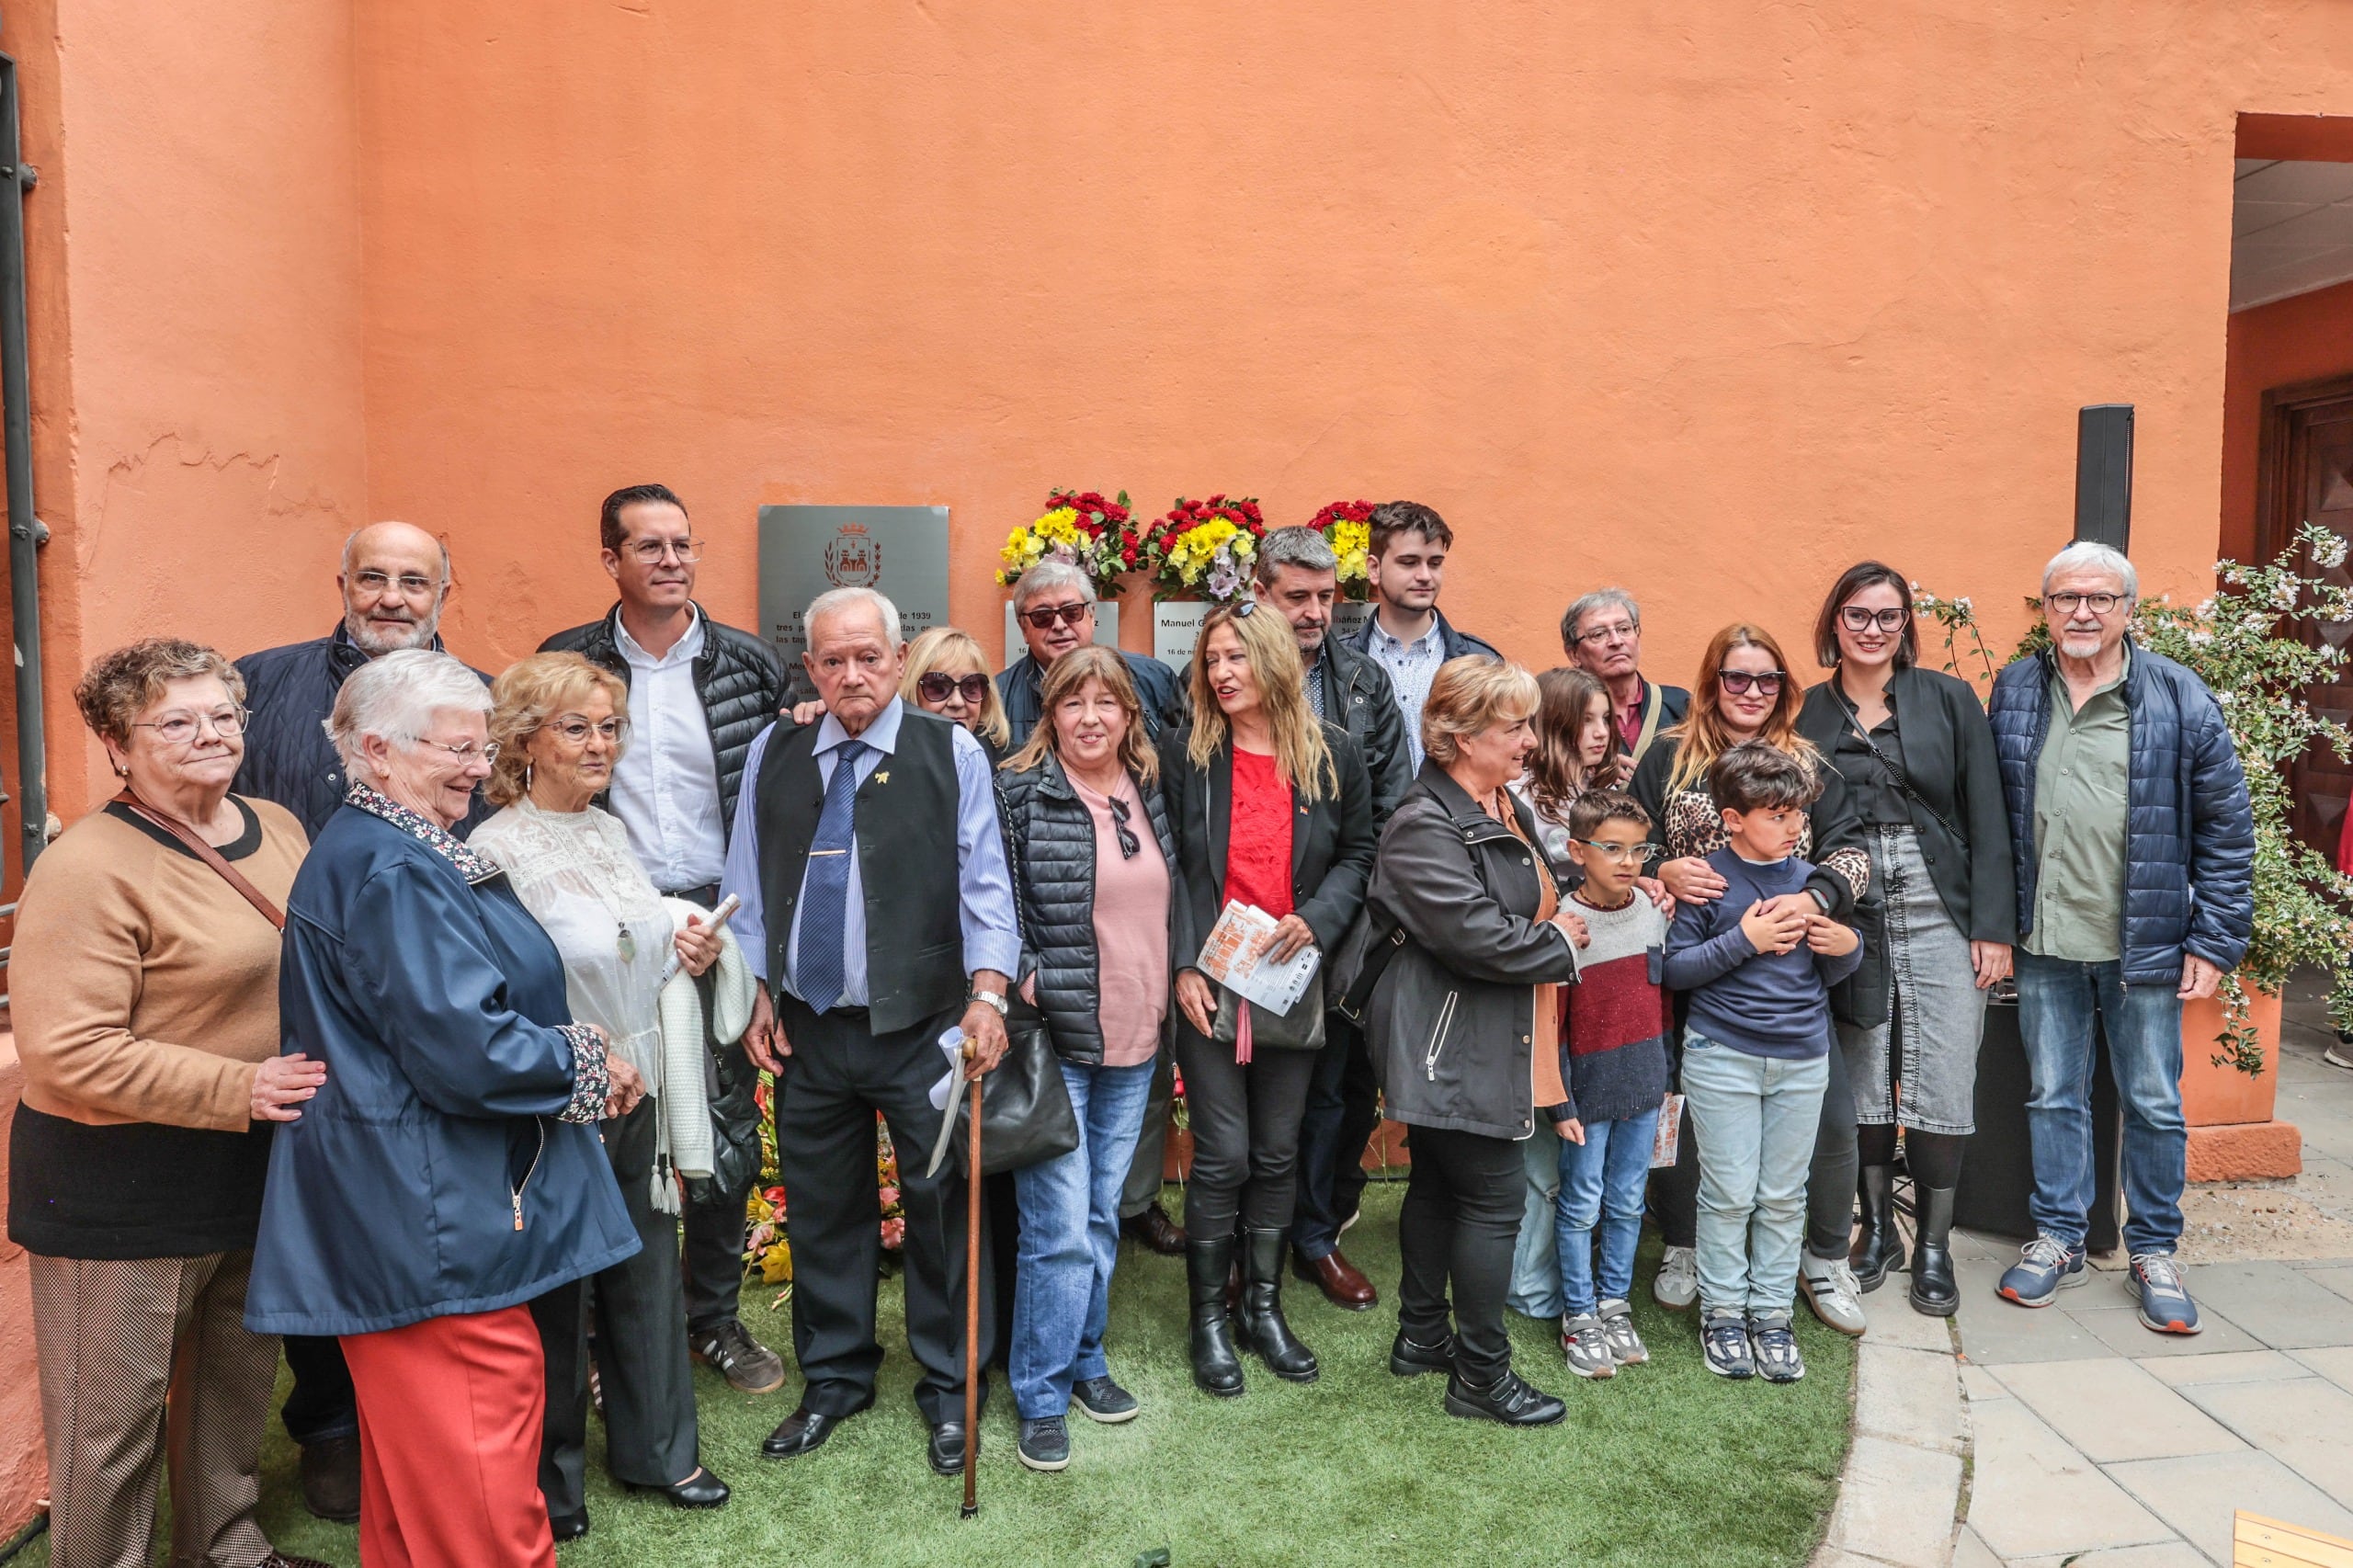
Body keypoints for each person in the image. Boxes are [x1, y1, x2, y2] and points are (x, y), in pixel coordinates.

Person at [245, 650, 644, 1568]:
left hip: (411, 1206)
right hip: (429, 1220)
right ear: (377, 750)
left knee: (417, 1500)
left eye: (482, 745)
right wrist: (586, 1059)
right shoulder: (392, 865)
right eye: (457, 748)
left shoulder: (386, 846)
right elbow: (465, 1048)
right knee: (479, 1501)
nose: (477, 765)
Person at [7, 639, 325, 1568]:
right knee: (110, 1422)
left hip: (249, 1166)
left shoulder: (276, 825)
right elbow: (67, 1054)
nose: (207, 735)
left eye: (222, 715)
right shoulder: (88, 865)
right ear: (116, 743)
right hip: (120, 1185)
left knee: (232, 1382)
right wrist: (244, 1085)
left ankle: (223, 1548)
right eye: (174, 720)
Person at [724, 586, 1020, 1475]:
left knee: (940, 1214)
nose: (851, 675)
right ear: (808, 667)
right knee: (822, 1214)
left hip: (923, 1024)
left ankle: (948, 1386)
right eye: (831, 660)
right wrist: (754, 993)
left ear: (899, 663)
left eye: (867, 657)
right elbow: (742, 879)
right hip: (809, 1030)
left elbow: (985, 883)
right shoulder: (773, 749)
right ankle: (837, 1379)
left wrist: (989, 993)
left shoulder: (950, 749)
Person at [232, 519, 486, 1517]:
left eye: (412, 579)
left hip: (427, 980)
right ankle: (329, 1422)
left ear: (441, 593)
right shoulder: (267, 682)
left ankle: (416, 1421)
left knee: (416, 1200)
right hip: (299, 989)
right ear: (339, 581)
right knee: (320, 1202)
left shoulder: (476, 692)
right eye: (371, 576)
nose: (390, 595)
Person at [471, 653, 733, 1539]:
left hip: (644, 1082)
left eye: (610, 726)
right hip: (561, 1095)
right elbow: (501, 995)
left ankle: (662, 1453)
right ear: (523, 741)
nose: (600, 743)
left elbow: (632, 948)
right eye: (576, 726)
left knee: (648, 1269)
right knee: (557, 1296)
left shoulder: (608, 830)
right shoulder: (492, 852)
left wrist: (687, 948)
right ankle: (554, 1485)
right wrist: (579, 1063)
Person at [540, 483, 789, 1398]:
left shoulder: (749, 665)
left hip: (719, 923)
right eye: (649, 545)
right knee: (610, 1121)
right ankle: (608, 1334)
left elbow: (779, 806)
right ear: (611, 559)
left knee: (721, 1126)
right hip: (603, 923)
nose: (671, 560)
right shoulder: (567, 662)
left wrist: (755, 941)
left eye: (683, 542)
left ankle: (710, 1318)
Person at [1988, 542, 2254, 1335]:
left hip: (2146, 945)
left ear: (2129, 610)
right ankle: (2059, 1237)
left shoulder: (2178, 697)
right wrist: (1994, 926)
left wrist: (2214, 939)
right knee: (2052, 1094)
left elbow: (2227, 830)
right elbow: (1992, 818)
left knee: (2153, 1102)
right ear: (2044, 609)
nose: (2082, 613)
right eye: (2067, 598)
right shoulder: (2015, 690)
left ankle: (2154, 1249)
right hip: (2045, 941)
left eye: (2100, 599)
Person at [1358, 656, 1586, 1426]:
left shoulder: (1496, 800)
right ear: (1458, 737)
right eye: (1513, 726)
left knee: (1437, 1186)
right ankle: (1482, 1378)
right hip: (1452, 1042)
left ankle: (1423, 1336)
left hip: (1470, 1033)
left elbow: (1528, 893)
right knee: (1493, 1200)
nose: (1529, 738)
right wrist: (1559, 942)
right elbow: (1479, 937)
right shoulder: (1423, 823)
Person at [1631, 624, 1870, 1333]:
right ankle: (1686, 1246)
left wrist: (1819, 901)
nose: (1752, 692)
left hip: (1790, 970)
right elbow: (1625, 839)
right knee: (1685, 1116)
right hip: (1693, 967)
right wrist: (1659, 869)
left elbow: (1853, 852)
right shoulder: (1671, 758)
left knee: (1825, 1122)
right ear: (1712, 683)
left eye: (1768, 680)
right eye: (1737, 678)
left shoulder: (1808, 763)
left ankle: (1822, 1259)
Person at [1164, 601, 1376, 1396]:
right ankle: (1209, 1322)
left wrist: (1316, 922)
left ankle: (1262, 1307)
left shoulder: (1334, 756)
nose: (1221, 673)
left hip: (1290, 977)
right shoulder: (1188, 754)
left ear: (1274, 662)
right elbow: (1181, 865)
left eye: (1235, 657)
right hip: (1210, 982)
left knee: (1280, 1150)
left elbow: (1359, 853)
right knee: (1224, 1154)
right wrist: (1184, 962)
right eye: (1212, 659)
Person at [1797, 563, 2015, 1318]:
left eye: (1888, 617)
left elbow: (1988, 813)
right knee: (1861, 1059)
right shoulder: (1807, 715)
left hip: (1939, 893)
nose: (1872, 629)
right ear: (1834, 623)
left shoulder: (1947, 699)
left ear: (1905, 626)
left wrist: (1994, 927)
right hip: (1850, 898)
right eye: (1857, 615)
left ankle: (1933, 1244)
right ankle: (1876, 1232)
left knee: (1944, 1067)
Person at [994, 646, 1176, 1471]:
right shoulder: (1020, 794)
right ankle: (1040, 1390)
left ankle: (1086, 1359)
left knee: (1103, 1214)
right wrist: (1028, 976)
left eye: (1107, 703)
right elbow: (996, 903)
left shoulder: (1153, 792)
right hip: (1058, 1035)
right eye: (1074, 704)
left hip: (1137, 1034)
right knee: (1058, 1228)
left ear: (1129, 715)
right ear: (1051, 715)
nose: (1091, 717)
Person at [1663, 743, 1863, 1383]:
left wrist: (1848, 947)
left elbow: (1828, 972)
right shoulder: (1708, 882)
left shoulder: (1811, 886)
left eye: (1797, 815)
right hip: (1722, 1056)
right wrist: (1741, 941)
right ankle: (1723, 1313)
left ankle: (1772, 1315)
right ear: (1732, 817)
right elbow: (1674, 969)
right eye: (1776, 815)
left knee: (1782, 1196)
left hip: (1803, 1061)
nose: (1793, 827)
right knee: (1726, 1194)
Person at [1251, 525, 1412, 1311]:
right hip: (1246, 923)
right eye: (1296, 597)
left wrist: (1337, 913)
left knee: (1341, 1087)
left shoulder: (1364, 685)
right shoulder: (1225, 674)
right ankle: (1257, 1232)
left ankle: (1316, 1234)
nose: (1314, 613)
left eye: (1325, 597)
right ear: (1260, 595)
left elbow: (1389, 812)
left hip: (1343, 919)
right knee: (1259, 1087)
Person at [1503, 664, 1623, 1320]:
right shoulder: (1527, 797)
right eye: (1588, 718)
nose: (1601, 731)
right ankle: (1531, 1284)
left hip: (1602, 985)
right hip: (1548, 981)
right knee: (1546, 1142)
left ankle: (1567, 1270)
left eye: (1608, 718)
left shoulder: (1599, 787)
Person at [1551, 791, 1674, 1381]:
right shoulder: (1567, 929)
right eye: (1612, 849)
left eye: (1639, 850)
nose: (1629, 862)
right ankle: (1578, 1314)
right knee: (1580, 1205)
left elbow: (1662, 1005)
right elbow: (1552, 1027)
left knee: (1627, 1202)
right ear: (1578, 851)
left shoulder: (1654, 912)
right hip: (1587, 1098)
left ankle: (1614, 1305)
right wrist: (1561, 1102)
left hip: (1645, 1090)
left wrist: (1665, 1083)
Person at [1346, 501, 1500, 775]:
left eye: (1435, 563)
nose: (1425, 576)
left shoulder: (1480, 662)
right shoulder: (1339, 660)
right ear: (1374, 569)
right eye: (1409, 562)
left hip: (1453, 817)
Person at [997, 561, 1188, 750]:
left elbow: (1182, 763)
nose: (1059, 625)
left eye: (1071, 612)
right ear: (1023, 628)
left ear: (1091, 615)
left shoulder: (1153, 679)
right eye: (1043, 616)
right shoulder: (998, 698)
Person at [1562, 587, 1690, 780]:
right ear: (1573, 654)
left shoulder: (1680, 705)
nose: (1616, 641)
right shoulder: (1560, 714)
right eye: (1599, 634)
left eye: (1624, 629)